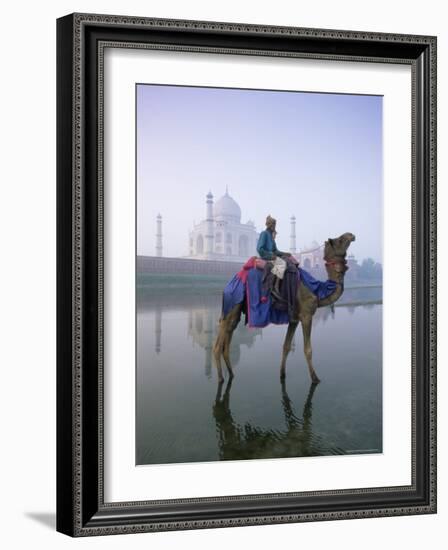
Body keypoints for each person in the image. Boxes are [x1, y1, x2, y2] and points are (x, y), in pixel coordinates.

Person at [256, 215, 291, 298]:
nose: (275, 227)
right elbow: (260, 249)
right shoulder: (264, 234)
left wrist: (285, 253)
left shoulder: (271, 237)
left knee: (287, 261)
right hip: (266, 257)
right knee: (281, 264)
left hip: (273, 257)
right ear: (270, 225)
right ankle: (274, 287)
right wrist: (271, 256)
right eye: (274, 225)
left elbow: (275, 251)